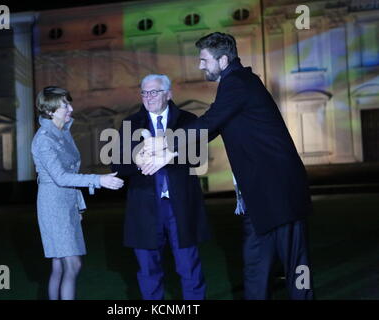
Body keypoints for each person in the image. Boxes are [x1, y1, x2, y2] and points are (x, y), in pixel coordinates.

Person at [140, 33, 314, 300]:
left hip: (278, 190)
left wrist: (166, 144)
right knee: (255, 264)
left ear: (223, 59)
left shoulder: (238, 82)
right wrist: (168, 154)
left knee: (295, 264)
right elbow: (213, 127)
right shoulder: (238, 83)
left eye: (204, 60)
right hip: (260, 194)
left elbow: (210, 122)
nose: (200, 65)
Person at [111, 74, 211, 300]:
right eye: (144, 92)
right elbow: (116, 163)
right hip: (145, 207)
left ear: (169, 94)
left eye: (154, 91)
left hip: (180, 207)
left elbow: (199, 156)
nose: (149, 97)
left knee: (189, 267)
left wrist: (168, 155)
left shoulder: (187, 120)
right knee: (148, 271)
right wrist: (138, 157)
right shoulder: (130, 124)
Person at [31, 86, 124, 300]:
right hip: (54, 206)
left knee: (59, 266)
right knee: (73, 265)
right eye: (65, 105)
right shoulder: (45, 139)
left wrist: (77, 206)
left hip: (66, 203)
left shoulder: (63, 132)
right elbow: (61, 177)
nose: (71, 109)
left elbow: (69, 173)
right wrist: (99, 180)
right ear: (51, 110)